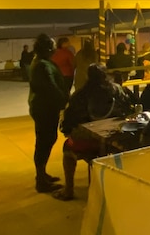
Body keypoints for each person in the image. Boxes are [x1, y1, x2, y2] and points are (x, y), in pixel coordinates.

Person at [53, 64, 134, 201]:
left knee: (67, 147)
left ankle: (68, 189)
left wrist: (68, 131)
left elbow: (69, 119)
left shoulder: (81, 94)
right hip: (113, 139)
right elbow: (128, 109)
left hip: (88, 141)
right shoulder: (117, 90)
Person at [28, 34, 69, 193]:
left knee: (47, 139)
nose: (54, 50)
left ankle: (42, 174)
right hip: (44, 108)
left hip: (44, 107)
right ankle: (41, 180)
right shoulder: (42, 65)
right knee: (44, 141)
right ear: (46, 49)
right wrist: (64, 100)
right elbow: (51, 88)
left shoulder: (40, 62)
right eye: (51, 47)